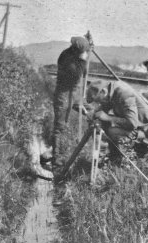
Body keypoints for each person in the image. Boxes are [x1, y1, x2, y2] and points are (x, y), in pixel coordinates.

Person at [86, 80, 148, 160]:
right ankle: (112, 156)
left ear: (103, 91)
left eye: (99, 100)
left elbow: (131, 123)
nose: (99, 103)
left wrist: (108, 117)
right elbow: (104, 107)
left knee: (111, 131)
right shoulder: (110, 91)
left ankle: (138, 151)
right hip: (140, 127)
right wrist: (93, 113)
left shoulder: (124, 94)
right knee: (101, 123)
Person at [52, 36, 90, 170]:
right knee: (60, 127)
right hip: (64, 95)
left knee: (90, 111)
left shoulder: (68, 53)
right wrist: (85, 57)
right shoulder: (68, 62)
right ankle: (56, 160)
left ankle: (65, 153)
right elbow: (81, 73)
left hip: (74, 94)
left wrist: (85, 52)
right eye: (83, 51)